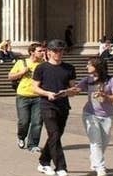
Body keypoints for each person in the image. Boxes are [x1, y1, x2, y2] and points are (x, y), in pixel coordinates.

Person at [31, 39, 79, 176]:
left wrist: (71, 91)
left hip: (63, 105)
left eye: (61, 50)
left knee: (55, 136)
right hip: (47, 105)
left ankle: (43, 162)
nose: (59, 53)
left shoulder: (69, 68)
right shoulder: (41, 68)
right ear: (49, 52)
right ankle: (60, 167)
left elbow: (73, 88)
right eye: (56, 51)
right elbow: (35, 88)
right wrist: (47, 93)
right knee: (54, 134)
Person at [77, 56, 113, 176]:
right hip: (90, 114)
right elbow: (76, 89)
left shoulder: (111, 80)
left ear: (97, 66)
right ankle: (100, 168)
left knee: (104, 142)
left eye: (89, 64)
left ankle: (95, 161)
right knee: (96, 142)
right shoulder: (87, 80)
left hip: (107, 116)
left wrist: (105, 96)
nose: (86, 66)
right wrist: (64, 91)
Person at [9, 43, 46, 152]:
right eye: (40, 51)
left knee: (37, 122)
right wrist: (22, 72)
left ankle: (33, 144)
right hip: (23, 95)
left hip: (38, 96)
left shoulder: (44, 65)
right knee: (23, 121)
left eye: (43, 51)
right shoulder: (22, 62)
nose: (42, 53)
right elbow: (10, 76)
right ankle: (21, 137)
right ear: (32, 52)